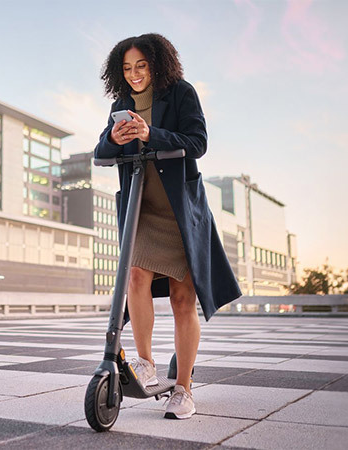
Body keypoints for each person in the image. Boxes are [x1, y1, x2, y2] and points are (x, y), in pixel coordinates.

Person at [94, 33, 242, 420]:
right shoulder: (121, 104)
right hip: (141, 210)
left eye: (141, 65)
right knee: (136, 278)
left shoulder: (181, 93)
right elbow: (100, 152)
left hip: (179, 212)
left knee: (181, 298)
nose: (134, 74)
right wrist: (114, 136)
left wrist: (150, 133)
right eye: (127, 68)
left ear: (157, 64)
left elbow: (197, 142)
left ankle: (184, 389)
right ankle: (145, 362)